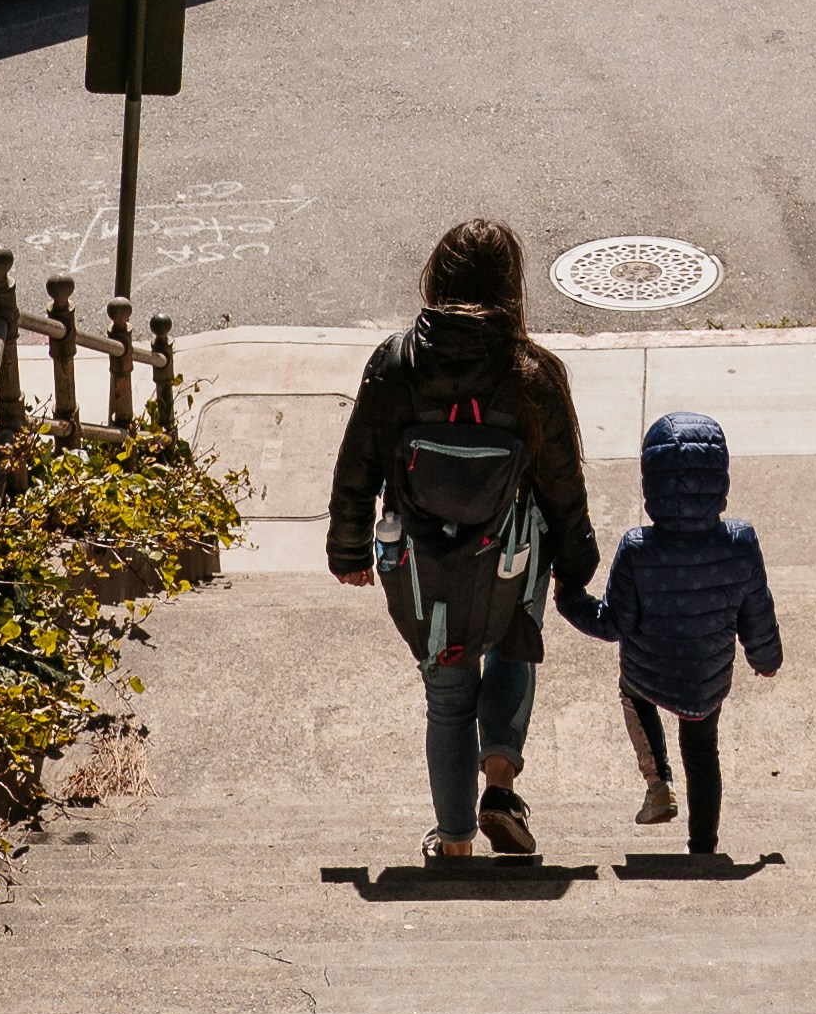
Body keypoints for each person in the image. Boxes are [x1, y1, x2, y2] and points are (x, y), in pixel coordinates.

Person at [325, 220, 601, 863]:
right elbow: (561, 481)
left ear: (436, 280)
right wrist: (576, 564)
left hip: (425, 565)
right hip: (513, 557)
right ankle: (500, 789)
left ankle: (454, 844)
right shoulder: (532, 372)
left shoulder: (395, 363)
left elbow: (357, 462)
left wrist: (348, 549)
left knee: (447, 692)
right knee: (513, 649)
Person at [596, 406, 783, 866]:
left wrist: (565, 600)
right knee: (702, 753)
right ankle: (703, 848)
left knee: (632, 692)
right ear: (720, 479)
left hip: (648, 670)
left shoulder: (637, 547)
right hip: (708, 677)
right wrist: (765, 657)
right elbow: (756, 608)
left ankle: (657, 783)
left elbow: (612, 623)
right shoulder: (740, 541)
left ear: (651, 482)